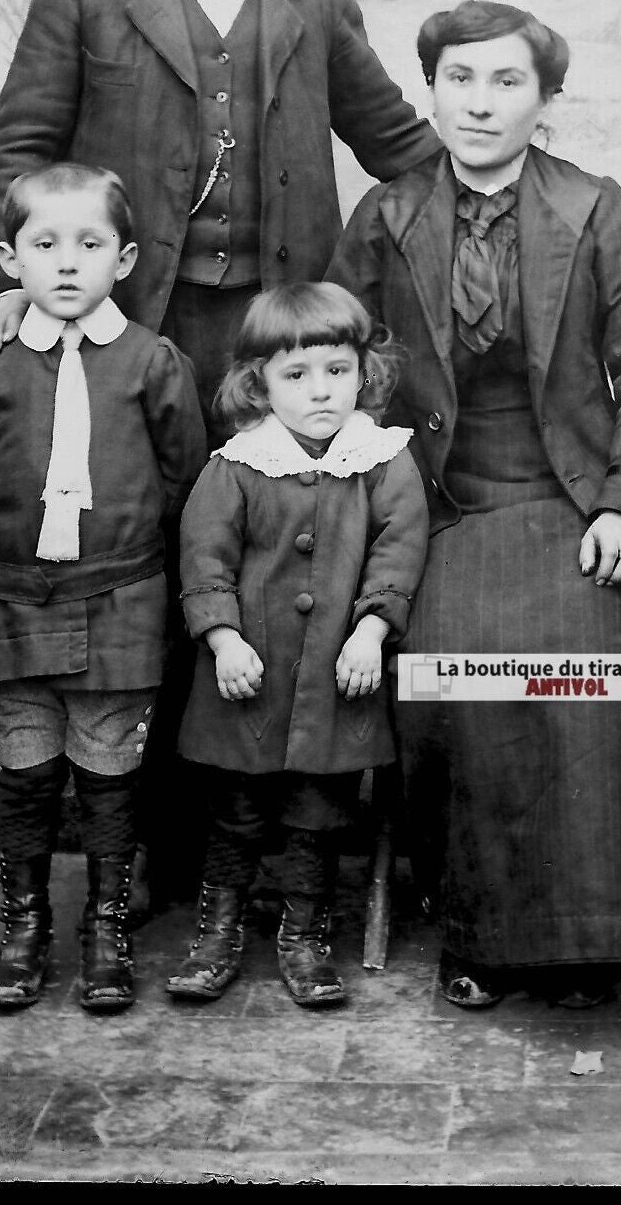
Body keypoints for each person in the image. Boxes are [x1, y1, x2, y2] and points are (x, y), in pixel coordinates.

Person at [0, 0, 440, 902]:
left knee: (278, 566)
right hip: (144, 328)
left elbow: (399, 144)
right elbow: (18, 152)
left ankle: (274, 855)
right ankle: (146, 860)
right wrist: (8, 290)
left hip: (284, 338)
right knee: (148, 573)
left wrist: (503, 211)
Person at [327, 0, 621, 1009]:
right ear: (430, 91)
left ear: (546, 100)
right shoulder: (386, 216)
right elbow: (342, 373)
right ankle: (482, 931)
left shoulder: (597, 210)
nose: (478, 104)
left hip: (572, 506)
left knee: (596, 673)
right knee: (469, 674)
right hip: (437, 512)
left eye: (506, 82)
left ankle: (605, 930)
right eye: (458, 80)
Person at [0, 163, 208, 1013]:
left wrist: (121, 548)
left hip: (119, 597)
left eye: (89, 245)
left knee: (106, 774)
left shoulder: (152, 363)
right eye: (45, 245)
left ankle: (107, 929)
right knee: (24, 773)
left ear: (124, 259)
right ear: (10, 259)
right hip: (20, 596)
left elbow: (183, 477)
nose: (66, 264)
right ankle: (23, 927)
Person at [164, 283, 428, 1008]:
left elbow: (398, 553)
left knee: (318, 811)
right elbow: (204, 558)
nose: (321, 393)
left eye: (337, 372)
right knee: (237, 808)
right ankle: (217, 931)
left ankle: (304, 933)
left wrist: (371, 630)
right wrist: (223, 640)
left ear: (362, 373)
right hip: (247, 678)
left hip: (336, 683)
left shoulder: (383, 460)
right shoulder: (239, 465)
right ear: (259, 384)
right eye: (297, 375)